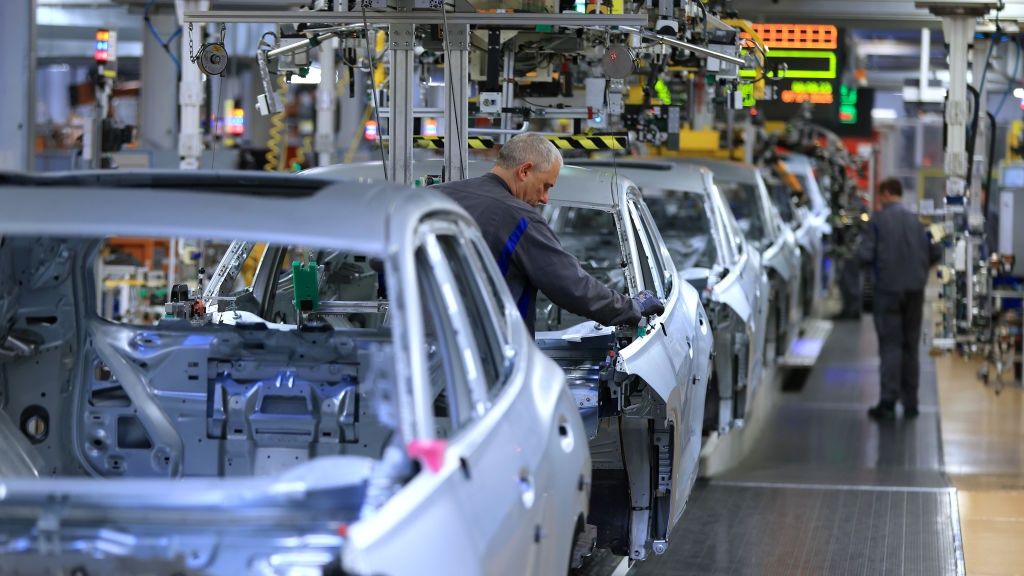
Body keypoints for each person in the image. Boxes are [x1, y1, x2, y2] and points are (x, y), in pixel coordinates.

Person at [434, 133, 663, 335]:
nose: (544, 198)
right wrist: (632, 307)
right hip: (491, 357)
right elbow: (572, 287)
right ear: (524, 171)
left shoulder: (433, 196)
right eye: (546, 186)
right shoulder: (519, 218)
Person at [857, 178, 939, 419]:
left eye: (880, 195)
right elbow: (936, 250)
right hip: (915, 289)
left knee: (891, 345)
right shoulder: (919, 221)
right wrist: (920, 268)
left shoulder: (878, 221)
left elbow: (864, 254)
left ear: (885, 194)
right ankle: (911, 403)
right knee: (910, 346)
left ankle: (888, 402)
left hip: (888, 291)